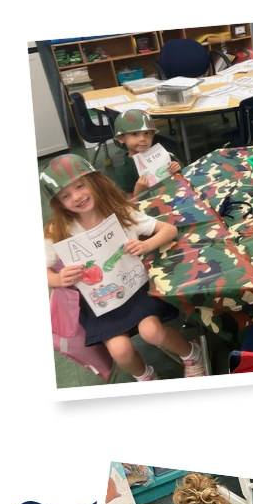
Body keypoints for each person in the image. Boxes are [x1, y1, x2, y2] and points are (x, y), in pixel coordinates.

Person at [41, 154, 205, 382]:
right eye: (65, 195)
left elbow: (169, 230)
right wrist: (58, 279)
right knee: (120, 351)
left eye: (80, 185)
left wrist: (145, 244)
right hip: (101, 301)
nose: (77, 197)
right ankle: (145, 376)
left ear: (94, 180)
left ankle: (192, 354)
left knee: (152, 332)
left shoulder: (120, 212)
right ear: (58, 203)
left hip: (135, 288)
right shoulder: (57, 230)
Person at [109, 109, 181, 197]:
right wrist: (138, 192)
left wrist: (175, 170)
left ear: (153, 135)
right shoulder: (123, 174)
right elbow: (128, 206)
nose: (142, 138)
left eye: (147, 133)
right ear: (121, 138)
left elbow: (175, 181)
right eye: (135, 134)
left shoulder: (163, 156)